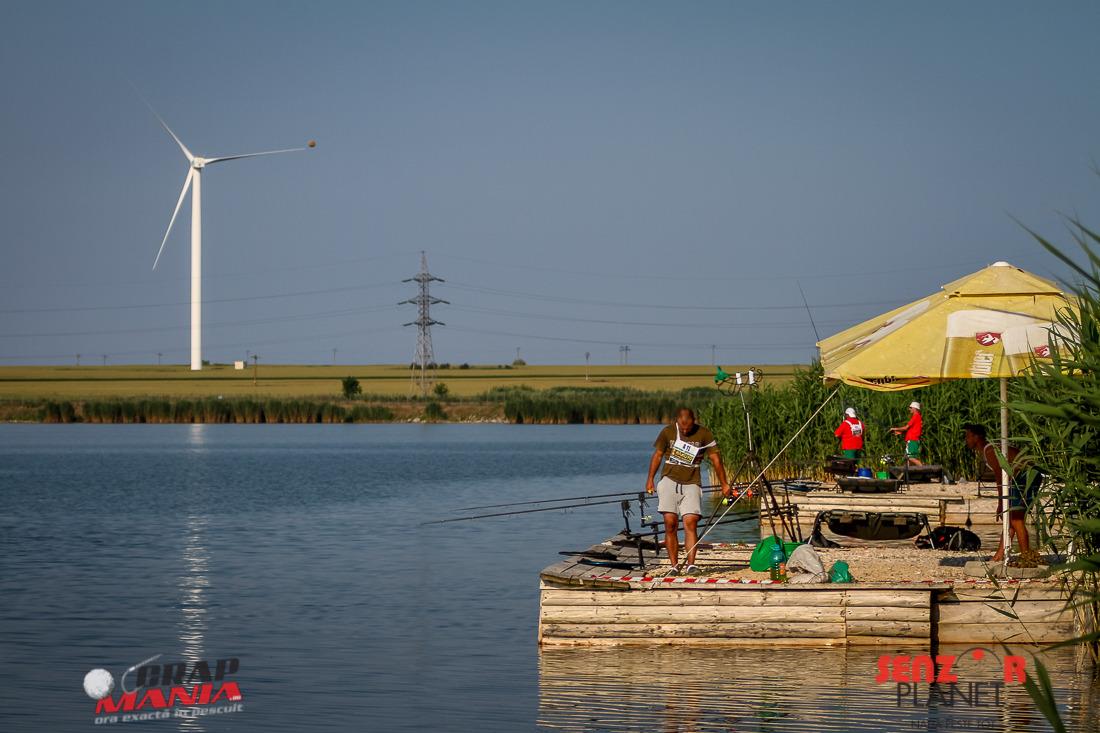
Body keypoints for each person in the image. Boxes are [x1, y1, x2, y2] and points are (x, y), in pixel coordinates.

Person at [645, 407, 732, 576]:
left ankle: (691, 565)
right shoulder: (667, 432)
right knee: (670, 523)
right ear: (677, 421)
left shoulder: (704, 433)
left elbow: (716, 459)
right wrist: (650, 479)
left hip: (692, 482)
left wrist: (724, 484)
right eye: (682, 427)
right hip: (669, 481)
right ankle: (674, 566)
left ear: (694, 420)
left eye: (688, 427)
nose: (685, 431)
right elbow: (657, 455)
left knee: (691, 522)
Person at [962, 423, 1043, 565]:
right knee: (1010, 518)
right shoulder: (991, 449)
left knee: (1016, 519)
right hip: (1027, 476)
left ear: (977, 437)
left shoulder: (990, 450)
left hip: (1024, 476)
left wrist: (1001, 502)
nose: (966, 440)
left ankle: (1027, 557)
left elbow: (1001, 476)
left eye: (968, 436)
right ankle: (999, 555)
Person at [891, 401, 923, 466]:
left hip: (912, 440)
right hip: (913, 440)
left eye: (910, 408)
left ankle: (925, 469)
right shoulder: (917, 417)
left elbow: (906, 427)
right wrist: (900, 432)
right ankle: (907, 472)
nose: (909, 409)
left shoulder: (915, 416)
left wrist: (895, 429)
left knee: (911, 458)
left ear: (914, 408)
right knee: (907, 459)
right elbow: (911, 430)